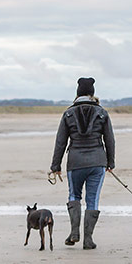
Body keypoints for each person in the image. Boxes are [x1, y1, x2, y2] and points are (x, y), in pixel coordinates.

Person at [50, 77, 115, 250]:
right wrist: (111, 162)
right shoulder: (102, 112)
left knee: (74, 196)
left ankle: (74, 233)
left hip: (75, 162)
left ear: (77, 93)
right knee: (92, 200)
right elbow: (110, 140)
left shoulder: (68, 113)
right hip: (97, 162)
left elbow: (60, 142)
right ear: (92, 93)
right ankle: (88, 240)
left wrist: (55, 166)